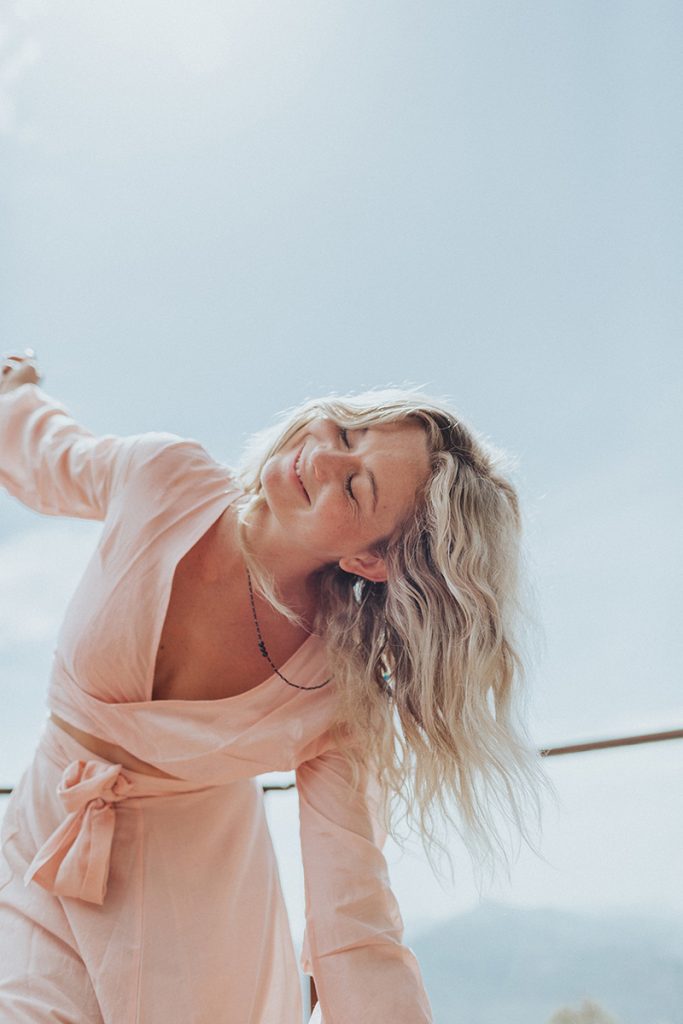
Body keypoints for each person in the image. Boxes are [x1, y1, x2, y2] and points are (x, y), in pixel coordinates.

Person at [0, 350, 545, 1024]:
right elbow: (46, 454)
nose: (319, 458)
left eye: (355, 488)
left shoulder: (336, 695)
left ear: (368, 559)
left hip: (194, 908)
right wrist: (16, 388)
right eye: (346, 432)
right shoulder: (161, 478)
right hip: (42, 836)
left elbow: (354, 920)